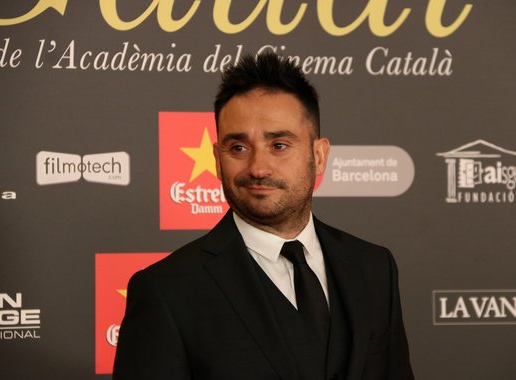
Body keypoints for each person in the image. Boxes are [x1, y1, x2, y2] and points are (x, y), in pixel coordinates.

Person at [113, 52, 414, 380]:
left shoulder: (374, 267)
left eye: (279, 145)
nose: (258, 168)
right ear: (217, 159)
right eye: (238, 148)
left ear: (319, 155)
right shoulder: (166, 292)